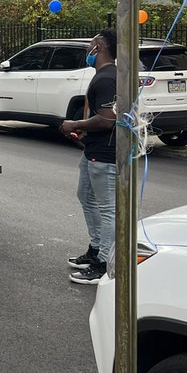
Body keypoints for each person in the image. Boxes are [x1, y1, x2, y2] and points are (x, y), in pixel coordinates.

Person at [60, 30, 118, 285]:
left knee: (107, 208)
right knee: (86, 196)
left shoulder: (107, 79)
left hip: (105, 154)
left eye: (91, 45)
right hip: (93, 150)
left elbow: (107, 120)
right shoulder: (105, 76)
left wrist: (75, 123)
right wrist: (85, 127)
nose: (88, 50)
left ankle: (104, 263)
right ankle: (96, 248)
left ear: (100, 48)